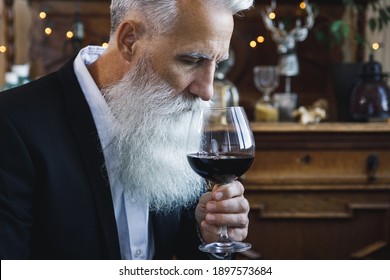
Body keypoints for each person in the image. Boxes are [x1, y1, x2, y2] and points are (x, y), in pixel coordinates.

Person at [0, 0, 254, 259]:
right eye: (191, 60)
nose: (207, 90)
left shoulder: (176, 114)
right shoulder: (11, 124)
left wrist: (205, 237)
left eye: (217, 64)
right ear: (129, 40)